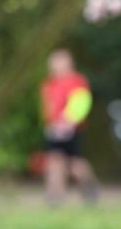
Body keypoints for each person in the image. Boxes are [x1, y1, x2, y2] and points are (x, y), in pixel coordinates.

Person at [40, 49, 99, 204]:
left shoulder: (76, 81)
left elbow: (81, 102)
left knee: (74, 163)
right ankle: (55, 196)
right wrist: (51, 123)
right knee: (54, 160)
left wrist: (69, 121)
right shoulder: (50, 83)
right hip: (54, 128)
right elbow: (48, 106)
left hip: (70, 128)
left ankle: (89, 187)